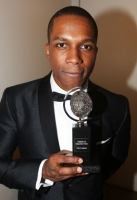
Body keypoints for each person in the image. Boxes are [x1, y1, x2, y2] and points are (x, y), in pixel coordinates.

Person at [0, 6, 130, 200]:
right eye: (62, 44)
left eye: (85, 46)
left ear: (95, 51)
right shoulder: (16, 99)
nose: (75, 58)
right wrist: (41, 171)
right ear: (48, 50)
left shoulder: (117, 106)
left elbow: (115, 159)